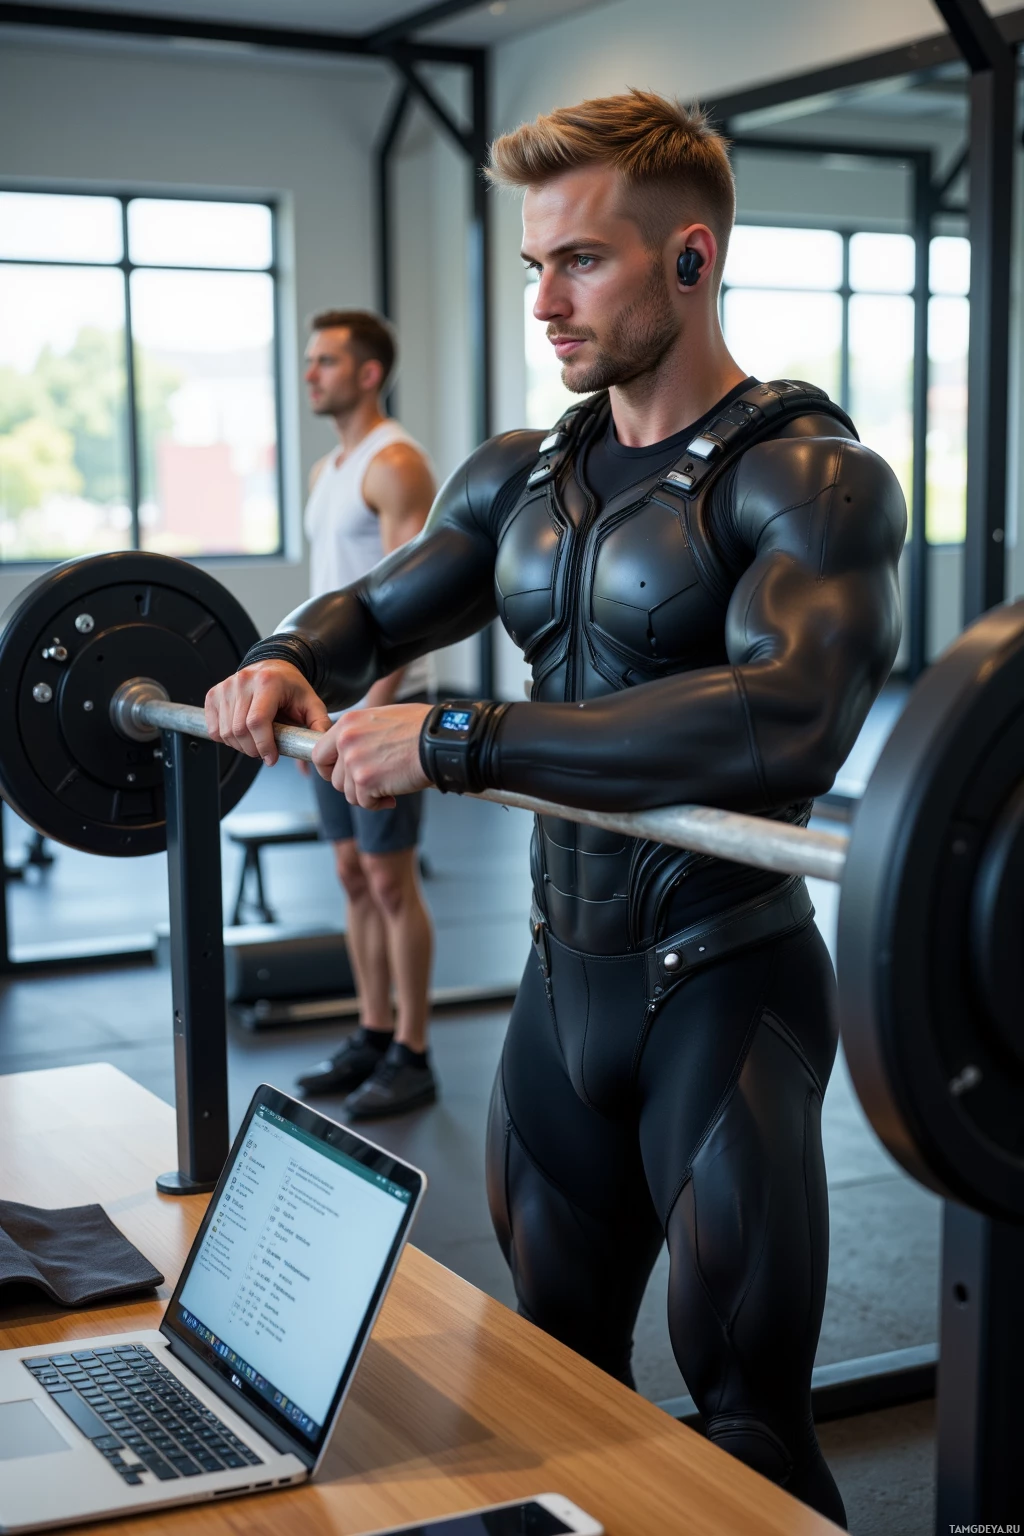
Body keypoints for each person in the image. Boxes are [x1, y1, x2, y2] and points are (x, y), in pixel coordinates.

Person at [205, 92, 906, 1524]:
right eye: (535, 265)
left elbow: (786, 717)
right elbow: (378, 606)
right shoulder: (525, 471)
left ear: (692, 260)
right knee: (559, 1398)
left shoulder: (811, 478)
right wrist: (286, 651)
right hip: (555, 997)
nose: (545, 301)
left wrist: (460, 735)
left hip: (726, 995)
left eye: (579, 262)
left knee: (751, 1439)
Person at [292, 309, 438, 1119]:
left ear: (369, 372)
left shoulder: (396, 464)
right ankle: (372, 1030)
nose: (311, 373)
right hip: (333, 712)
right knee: (351, 875)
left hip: (388, 707)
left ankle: (413, 1051)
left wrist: (369, 715)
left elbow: (409, 609)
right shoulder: (329, 470)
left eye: (326, 362)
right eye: (311, 361)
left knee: (389, 879)